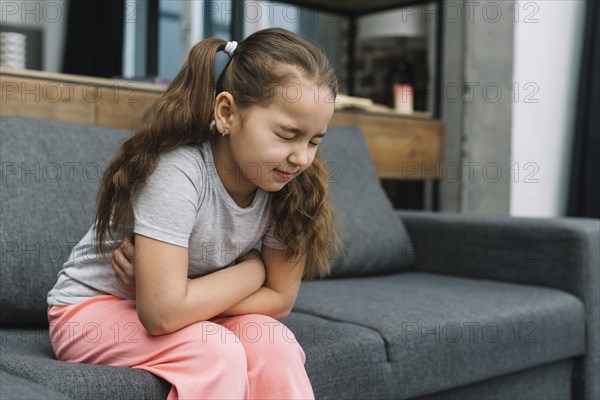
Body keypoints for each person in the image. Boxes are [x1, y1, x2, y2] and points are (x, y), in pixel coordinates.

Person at [46, 27, 342, 400]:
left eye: (315, 141)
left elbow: (280, 300)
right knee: (214, 352)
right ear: (227, 113)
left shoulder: (291, 187)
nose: (301, 157)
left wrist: (184, 300)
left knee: (274, 341)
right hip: (91, 311)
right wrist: (252, 272)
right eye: (286, 135)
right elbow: (162, 315)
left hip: (174, 303)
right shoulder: (177, 173)